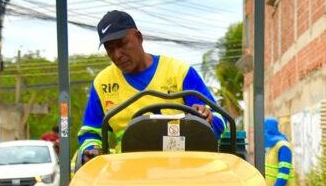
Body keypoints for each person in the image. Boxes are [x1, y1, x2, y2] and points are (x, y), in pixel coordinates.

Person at [77, 10, 227, 162]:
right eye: (110, 49)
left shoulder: (180, 73)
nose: (117, 55)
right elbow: (90, 132)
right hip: (128, 173)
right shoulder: (103, 84)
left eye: (122, 44)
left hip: (182, 168)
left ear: (138, 37)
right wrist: (92, 149)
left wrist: (207, 119)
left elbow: (220, 119)